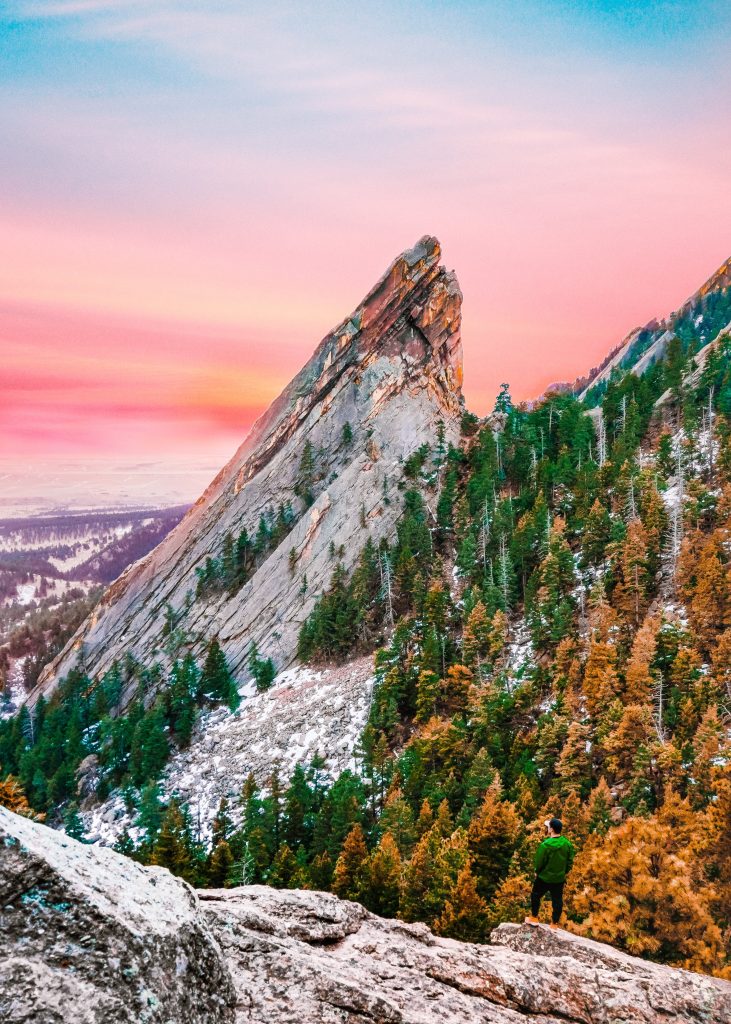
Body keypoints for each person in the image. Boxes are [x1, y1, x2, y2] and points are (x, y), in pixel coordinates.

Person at [525, 817, 574, 929]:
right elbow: (570, 861)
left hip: (544, 877)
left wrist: (537, 871)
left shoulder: (545, 845)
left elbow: (539, 861)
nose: (547, 828)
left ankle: (534, 918)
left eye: (548, 827)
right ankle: (554, 924)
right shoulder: (567, 844)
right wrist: (564, 872)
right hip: (559, 879)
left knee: (536, 895)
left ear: (551, 829)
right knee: (557, 900)